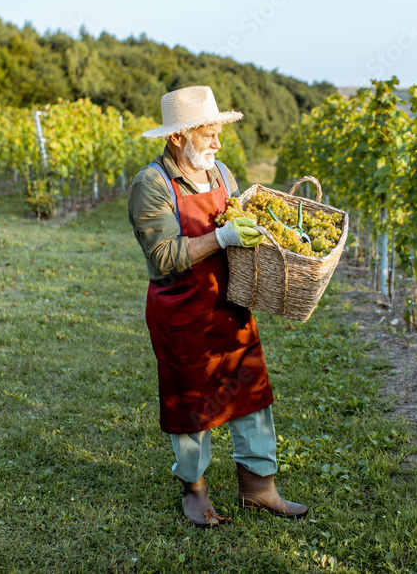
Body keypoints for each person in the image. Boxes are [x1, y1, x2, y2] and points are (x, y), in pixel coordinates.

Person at [127, 85, 308, 527]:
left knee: (250, 392)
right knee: (191, 400)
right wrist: (222, 238)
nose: (217, 143)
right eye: (208, 134)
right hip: (182, 310)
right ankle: (194, 489)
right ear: (178, 137)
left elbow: (242, 233)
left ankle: (259, 487)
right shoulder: (152, 184)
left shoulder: (223, 174)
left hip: (230, 303)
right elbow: (164, 257)